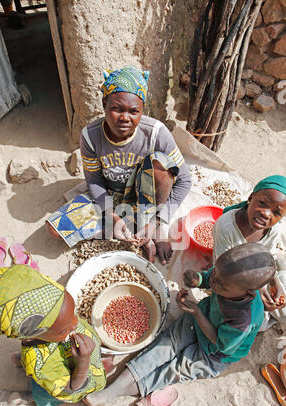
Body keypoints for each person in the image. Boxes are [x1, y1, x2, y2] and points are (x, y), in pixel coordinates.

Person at [85, 243, 275, 406]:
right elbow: (211, 277)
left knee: (173, 369)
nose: (214, 281)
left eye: (221, 284)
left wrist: (198, 313)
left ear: (249, 292)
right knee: (164, 346)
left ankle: (116, 393)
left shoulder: (245, 319)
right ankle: (110, 391)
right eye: (216, 273)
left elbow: (220, 342)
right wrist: (199, 279)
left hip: (214, 354)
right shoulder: (226, 279)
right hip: (198, 322)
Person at [46, 66, 192, 265]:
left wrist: (157, 222)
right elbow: (94, 181)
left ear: (142, 111)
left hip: (146, 201)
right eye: (116, 109)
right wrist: (112, 215)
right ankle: (127, 229)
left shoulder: (157, 133)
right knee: (55, 229)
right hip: (110, 196)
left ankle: (149, 230)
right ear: (104, 103)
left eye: (134, 111)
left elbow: (184, 180)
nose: (125, 117)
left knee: (161, 165)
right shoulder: (90, 136)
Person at [0, 264, 106, 406]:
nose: (75, 323)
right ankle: (26, 397)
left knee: (26, 359)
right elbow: (69, 388)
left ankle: (21, 361)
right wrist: (83, 363)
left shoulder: (41, 330)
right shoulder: (40, 365)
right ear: (29, 337)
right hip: (67, 379)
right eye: (64, 329)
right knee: (43, 392)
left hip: (48, 354)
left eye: (73, 314)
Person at [212, 175, 286, 329]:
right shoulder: (226, 228)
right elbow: (222, 271)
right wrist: (258, 290)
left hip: (257, 273)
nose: (266, 214)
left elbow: (267, 258)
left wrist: (274, 282)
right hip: (232, 276)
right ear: (251, 197)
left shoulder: (273, 231)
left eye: (276, 213)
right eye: (263, 203)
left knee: (280, 304)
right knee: (250, 323)